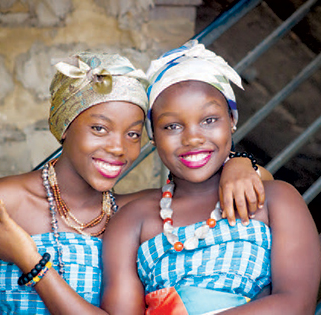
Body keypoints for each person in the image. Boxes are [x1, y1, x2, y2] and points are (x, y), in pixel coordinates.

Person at [0, 50, 270, 314]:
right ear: (64, 125)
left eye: (134, 134)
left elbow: (256, 184)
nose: (119, 148)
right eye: (99, 128)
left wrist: (239, 163)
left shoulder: (136, 213)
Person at [101, 41, 321, 315]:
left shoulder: (276, 199)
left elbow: (296, 304)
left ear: (231, 120)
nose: (192, 138)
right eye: (172, 126)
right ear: (153, 137)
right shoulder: (133, 220)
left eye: (209, 120)